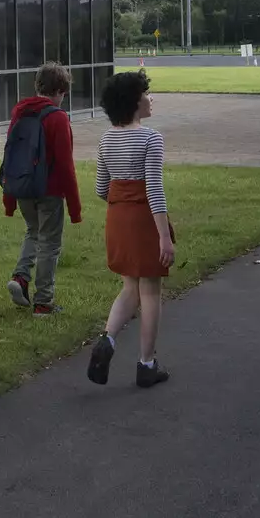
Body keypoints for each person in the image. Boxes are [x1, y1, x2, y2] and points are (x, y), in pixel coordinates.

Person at [85, 70, 174, 389]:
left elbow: (100, 188)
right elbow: (154, 189)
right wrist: (164, 236)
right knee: (150, 292)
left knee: (129, 287)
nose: (151, 99)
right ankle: (146, 364)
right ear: (136, 101)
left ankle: (107, 340)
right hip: (143, 221)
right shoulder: (151, 138)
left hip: (118, 218)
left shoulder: (107, 138)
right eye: (147, 94)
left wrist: (121, 199)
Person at [1, 63, 82, 316]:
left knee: (32, 232)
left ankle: (21, 277)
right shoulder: (57, 118)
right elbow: (66, 166)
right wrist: (75, 207)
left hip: (23, 187)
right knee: (50, 244)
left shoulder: (20, 113)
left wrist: (9, 198)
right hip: (50, 190)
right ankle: (43, 302)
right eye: (64, 94)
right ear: (59, 91)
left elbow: (10, 155)